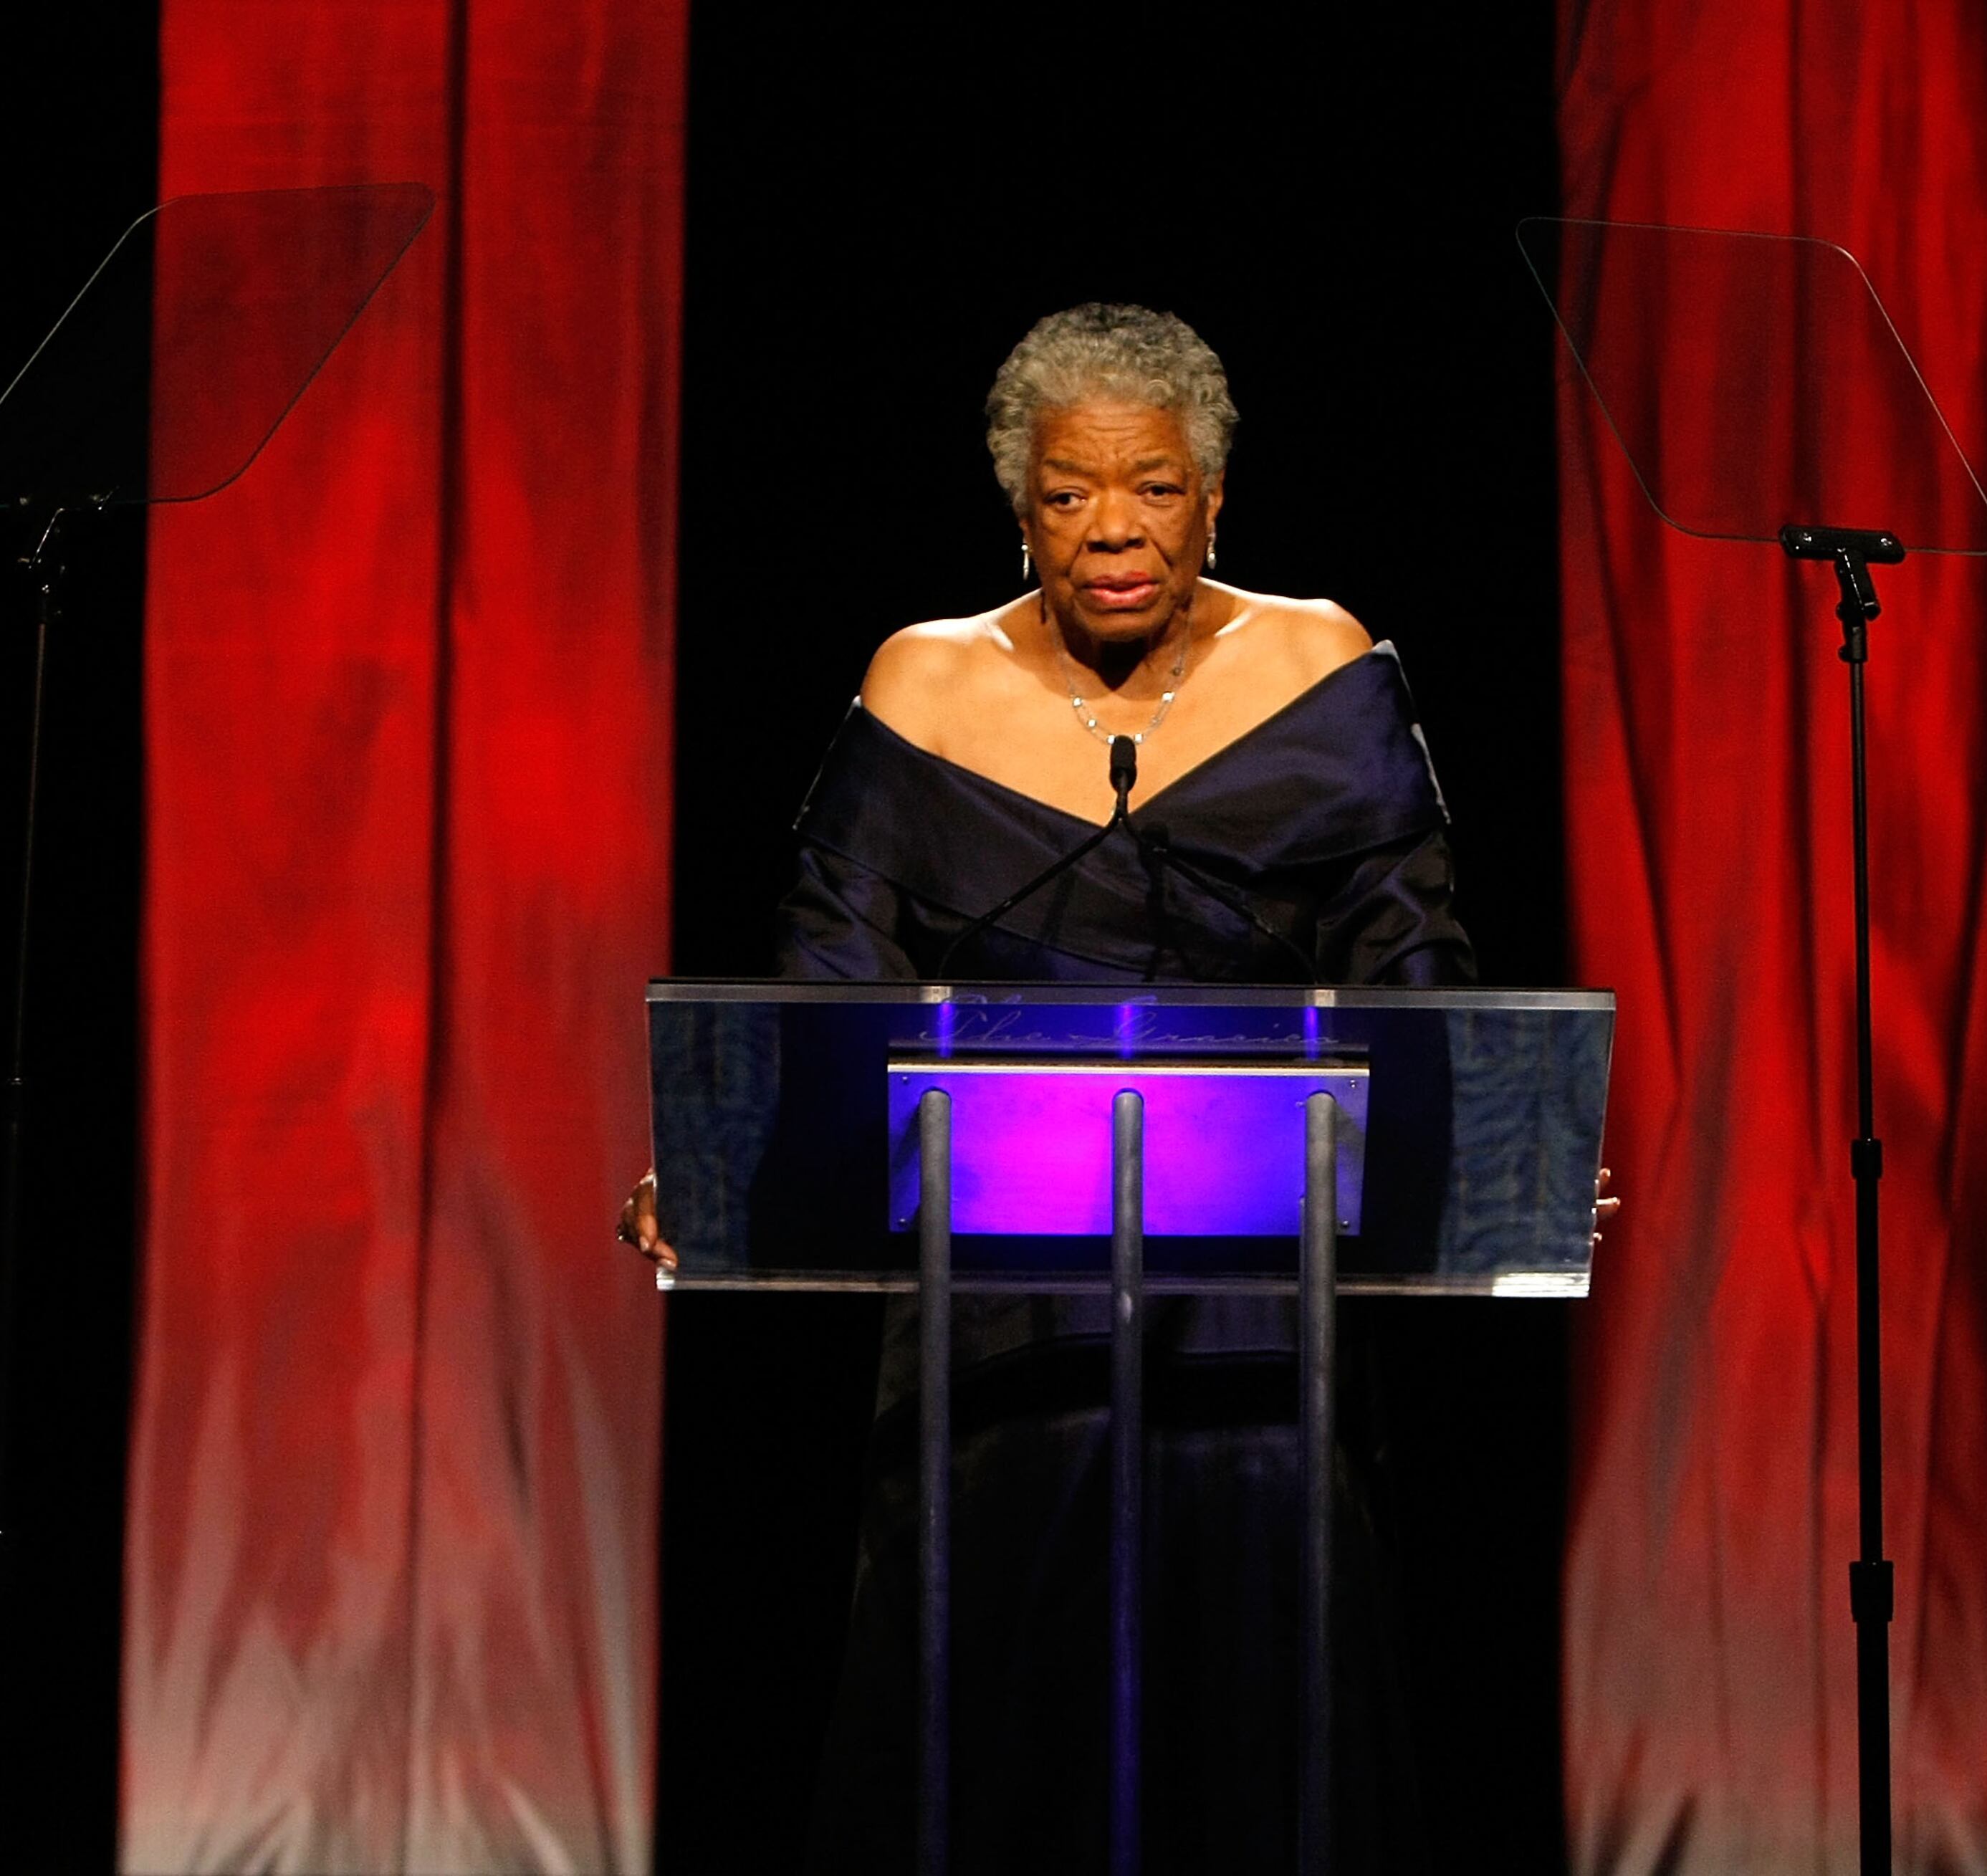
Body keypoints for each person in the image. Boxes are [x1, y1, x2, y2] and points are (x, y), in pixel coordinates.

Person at [621, 303, 1611, 1870]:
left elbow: (1414, 969)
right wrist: (724, 1161)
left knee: (1261, 1724)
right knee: (993, 1725)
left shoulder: (1318, 660)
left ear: (1215, 495)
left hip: (1257, 1311)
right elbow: (827, 1000)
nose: (1113, 533)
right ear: (1018, 505)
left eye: (1151, 486)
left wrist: (1496, 1143)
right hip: (991, 1311)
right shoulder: (925, 681)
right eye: (1071, 492)